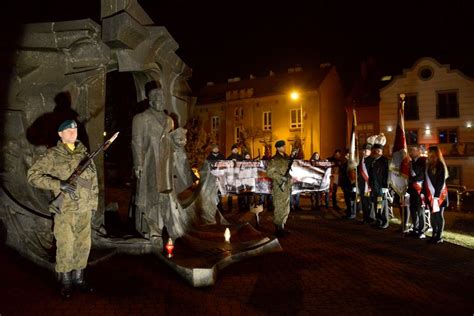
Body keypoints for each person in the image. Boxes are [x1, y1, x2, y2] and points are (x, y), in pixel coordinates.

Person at [27, 120, 98, 298]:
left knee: (83, 245)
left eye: (74, 129)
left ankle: (79, 279)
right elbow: (32, 176)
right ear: (60, 134)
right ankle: (66, 282)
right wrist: (59, 184)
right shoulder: (53, 155)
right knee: (66, 245)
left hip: (84, 209)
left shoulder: (85, 154)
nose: (73, 132)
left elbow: (93, 183)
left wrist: (93, 205)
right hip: (65, 209)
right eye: (68, 130)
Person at [132, 88, 174, 237]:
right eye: (158, 98)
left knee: (165, 195)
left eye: (163, 98)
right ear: (151, 101)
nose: (161, 101)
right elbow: (136, 142)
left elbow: (173, 141)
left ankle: (163, 225)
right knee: (149, 195)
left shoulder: (169, 120)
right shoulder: (141, 118)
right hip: (150, 162)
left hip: (166, 164)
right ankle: (148, 227)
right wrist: (138, 164)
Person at [267, 140, 292, 237]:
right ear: (277, 148)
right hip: (278, 186)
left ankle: (282, 226)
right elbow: (269, 172)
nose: (284, 148)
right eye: (282, 146)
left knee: (286, 207)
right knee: (279, 207)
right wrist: (281, 178)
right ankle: (278, 228)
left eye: (284, 146)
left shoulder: (287, 158)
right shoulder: (274, 159)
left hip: (287, 186)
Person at [425, 146, 449, 244]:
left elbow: (440, 181)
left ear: (435, 153)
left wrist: (436, 196)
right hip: (431, 195)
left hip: (439, 196)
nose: (429, 154)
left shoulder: (440, 165)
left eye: (430, 152)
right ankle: (434, 235)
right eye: (428, 152)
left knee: (439, 216)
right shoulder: (428, 165)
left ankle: (439, 236)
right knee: (433, 216)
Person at [368, 135, 390, 229]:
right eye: (375, 150)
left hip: (382, 188)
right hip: (374, 187)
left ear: (381, 151)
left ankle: (384, 222)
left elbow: (387, 174)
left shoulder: (385, 161)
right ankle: (378, 220)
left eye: (378, 151)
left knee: (382, 205)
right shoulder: (373, 161)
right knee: (377, 204)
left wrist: (385, 186)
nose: (376, 152)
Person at [407, 145, 427, 238]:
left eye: (413, 150)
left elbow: (423, 175)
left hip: (419, 189)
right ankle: (415, 228)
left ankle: (421, 230)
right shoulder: (410, 162)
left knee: (420, 210)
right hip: (412, 190)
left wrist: (412, 180)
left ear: (418, 151)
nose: (411, 152)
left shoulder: (423, 161)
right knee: (413, 210)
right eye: (410, 151)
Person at [358, 143, 374, 223]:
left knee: (369, 202)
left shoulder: (372, 160)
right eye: (363, 150)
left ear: (370, 151)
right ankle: (365, 217)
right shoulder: (361, 160)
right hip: (362, 185)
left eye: (365, 150)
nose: (363, 152)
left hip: (368, 186)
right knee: (364, 202)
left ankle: (371, 217)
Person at [206, 144, 225, 212]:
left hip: (220, 176)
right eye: (214, 148)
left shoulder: (222, 156)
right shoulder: (209, 157)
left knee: (220, 192)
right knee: (214, 192)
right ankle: (214, 206)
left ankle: (220, 207)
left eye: (217, 148)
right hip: (212, 177)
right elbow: (207, 167)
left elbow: (225, 165)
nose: (216, 149)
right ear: (212, 149)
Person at [227, 144, 243, 212]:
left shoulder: (240, 157)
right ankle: (229, 207)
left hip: (238, 177)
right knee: (230, 192)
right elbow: (226, 166)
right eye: (234, 149)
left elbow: (243, 165)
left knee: (239, 192)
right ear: (232, 150)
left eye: (236, 149)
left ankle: (240, 207)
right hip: (231, 177)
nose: (235, 150)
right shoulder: (229, 157)